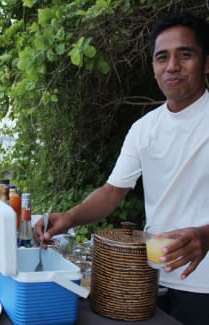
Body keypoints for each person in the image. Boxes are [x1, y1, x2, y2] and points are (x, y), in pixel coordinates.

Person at [34, 12, 209, 325]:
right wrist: (70, 217)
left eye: (185, 54)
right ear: (154, 68)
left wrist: (207, 235)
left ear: (206, 63)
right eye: (161, 57)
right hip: (149, 279)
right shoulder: (144, 128)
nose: (172, 66)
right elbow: (114, 191)